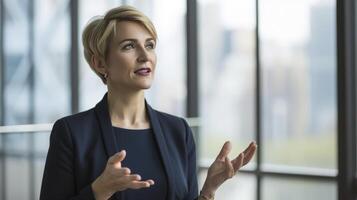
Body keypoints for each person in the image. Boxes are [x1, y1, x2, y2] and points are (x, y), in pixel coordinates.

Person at [39, 5, 257, 200]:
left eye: (150, 45)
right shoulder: (71, 132)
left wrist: (209, 190)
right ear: (100, 63)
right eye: (128, 46)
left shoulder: (178, 131)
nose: (145, 55)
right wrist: (99, 191)